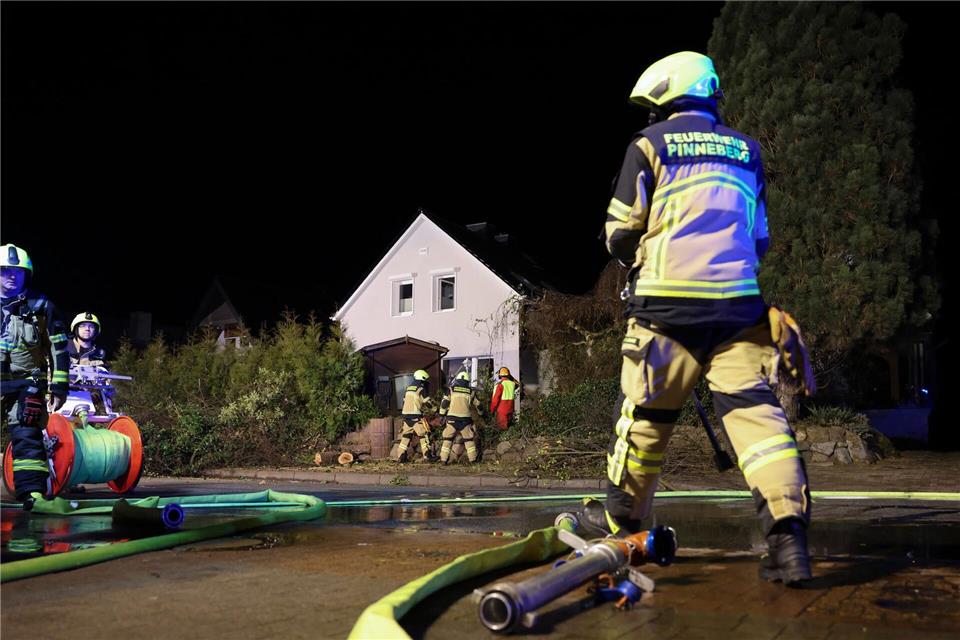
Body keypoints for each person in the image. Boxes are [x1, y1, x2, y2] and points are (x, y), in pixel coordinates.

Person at [587, 52, 817, 586]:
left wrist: (634, 255)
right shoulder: (748, 151)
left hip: (664, 316)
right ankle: (788, 545)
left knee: (645, 425)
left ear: (667, 98)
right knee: (761, 427)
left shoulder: (649, 147)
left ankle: (625, 535)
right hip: (739, 312)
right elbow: (760, 238)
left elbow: (619, 233)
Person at [0, 244, 70, 511]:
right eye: (4, 270)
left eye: (17, 271)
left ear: (26, 275)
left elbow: (59, 347)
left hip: (26, 385)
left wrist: (59, 385)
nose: (11, 276)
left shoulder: (42, 306)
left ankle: (33, 495)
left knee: (28, 435)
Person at [438, 371, 481, 464]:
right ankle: (473, 460)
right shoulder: (471, 391)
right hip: (465, 420)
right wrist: (482, 414)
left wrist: (441, 415)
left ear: (457, 380)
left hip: (451, 419)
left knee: (447, 440)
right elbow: (478, 405)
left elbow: (444, 404)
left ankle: (443, 460)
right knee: (469, 440)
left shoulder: (451, 389)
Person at [397, 369, 437, 462]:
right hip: (416, 417)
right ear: (421, 380)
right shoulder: (420, 389)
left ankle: (401, 456)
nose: (425, 383)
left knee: (406, 436)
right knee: (424, 434)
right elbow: (427, 402)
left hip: (406, 417)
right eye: (424, 381)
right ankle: (428, 456)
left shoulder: (408, 389)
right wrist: (436, 410)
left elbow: (404, 402)